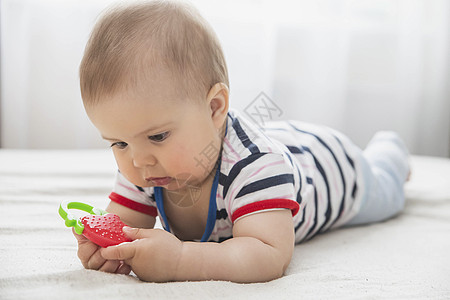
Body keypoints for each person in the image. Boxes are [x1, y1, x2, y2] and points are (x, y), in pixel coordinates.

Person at [75, 0, 410, 283]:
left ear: (214, 108)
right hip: (281, 141)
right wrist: (108, 245)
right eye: (118, 143)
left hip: (336, 169)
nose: (138, 161)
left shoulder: (256, 167)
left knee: (387, 189)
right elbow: (126, 226)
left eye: (158, 136)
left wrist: (180, 259)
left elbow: (268, 254)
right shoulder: (146, 163)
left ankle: (390, 151)